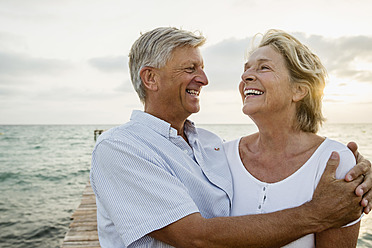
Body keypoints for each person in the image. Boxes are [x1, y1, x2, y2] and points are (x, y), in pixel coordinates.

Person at [90, 27, 372, 248]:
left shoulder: (211, 147)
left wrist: (357, 169)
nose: (204, 79)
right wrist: (316, 213)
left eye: (262, 68)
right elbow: (197, 238)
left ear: (300, 90)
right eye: (190, 69)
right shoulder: (120, 148)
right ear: (150, 79)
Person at [224, 29, 362, 248]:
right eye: (246, 69)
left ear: (298, 90)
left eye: (264, 67)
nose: (246, 76)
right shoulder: (221, 155)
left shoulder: (334, 161)